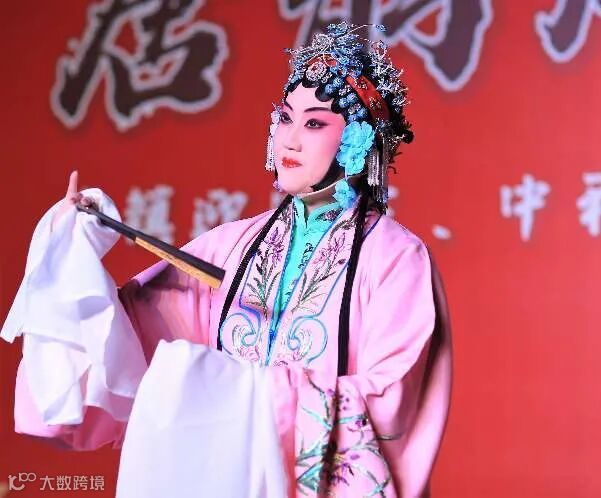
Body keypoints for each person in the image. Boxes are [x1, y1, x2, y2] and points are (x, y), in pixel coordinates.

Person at [2, 22, 452, 497]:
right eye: (285, 118)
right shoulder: (230, 247)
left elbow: (393, 399)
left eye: (314, 123)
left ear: (357, 141)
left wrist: (254, 396)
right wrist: (73, 255)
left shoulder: (395, 260)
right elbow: (128, 343)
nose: (290, 139)